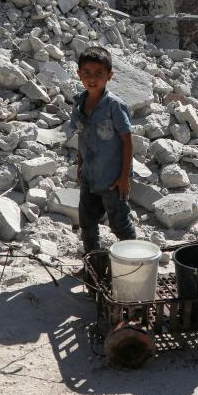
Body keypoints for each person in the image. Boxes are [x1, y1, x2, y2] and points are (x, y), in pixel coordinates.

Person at [69, 46, 136, 274]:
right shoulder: (79, 103)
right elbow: (81, 135)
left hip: (112, 179)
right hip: (89, 176)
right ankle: (93, 269)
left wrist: (124, 178)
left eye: (99, 73)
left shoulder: (114, 105)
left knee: (120, 225)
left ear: (110, 76)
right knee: (87, 224)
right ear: (79, 74)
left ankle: (136, 268)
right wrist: (80, 164)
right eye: (87, 73)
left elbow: (127, 141)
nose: (92, 78)